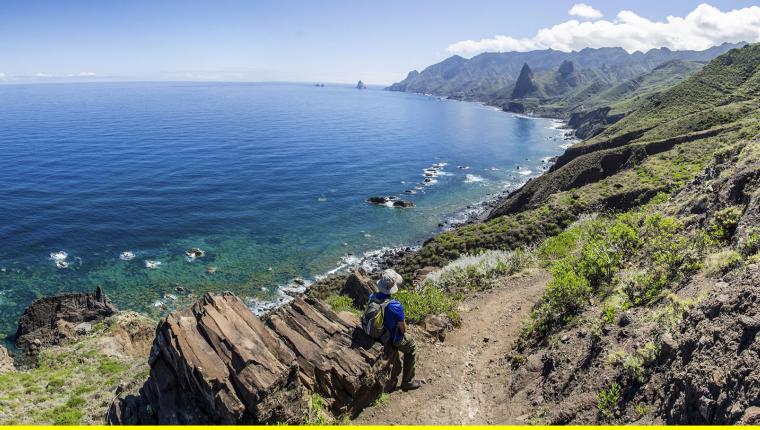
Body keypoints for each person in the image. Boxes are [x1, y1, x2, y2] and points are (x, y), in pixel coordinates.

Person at [370, 269, 422, 391]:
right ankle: (408, 382)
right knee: (412, 347)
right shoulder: (395, 305)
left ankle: (393, 378)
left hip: (379, 334)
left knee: (396, 356)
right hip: (393, 338)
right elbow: (403, 330)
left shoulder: (372, 297)